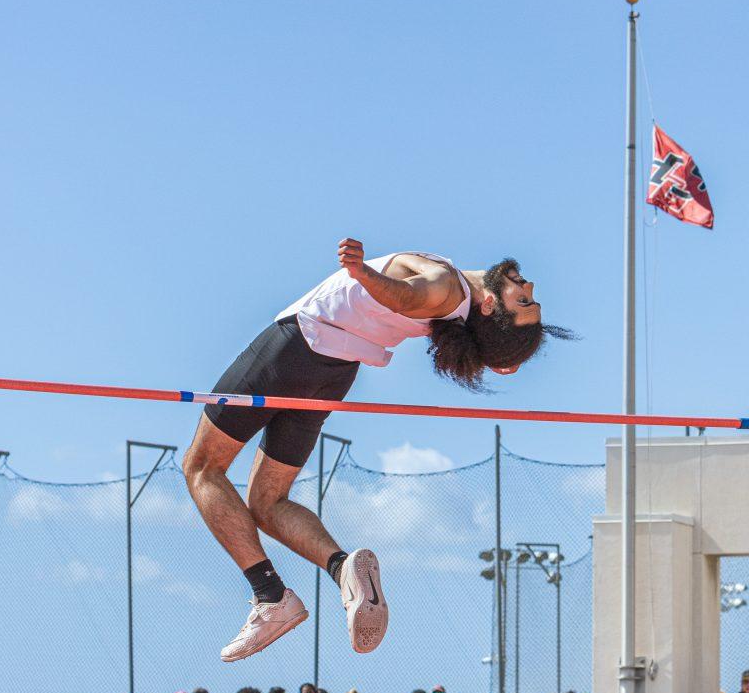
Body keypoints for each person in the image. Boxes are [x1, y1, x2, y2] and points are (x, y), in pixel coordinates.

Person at [182, 241, 567, 664]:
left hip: (296, 347)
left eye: (525, 299)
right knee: (268, 500)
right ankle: (343, 570)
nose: (528, 285)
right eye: (531, 299)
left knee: (202, 468)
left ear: (491, 305)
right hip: (334, 372)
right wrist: (497, 353)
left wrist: (364, 273)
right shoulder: (460, 311)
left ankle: (269, 595)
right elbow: (437, 311)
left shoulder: (445, 289)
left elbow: (408, 295)